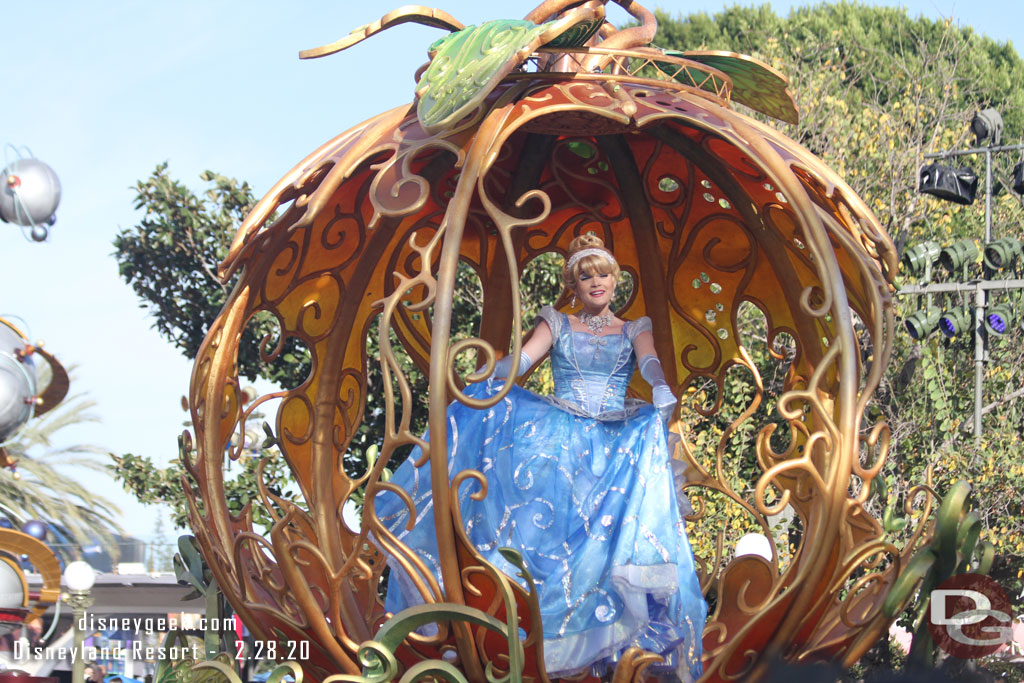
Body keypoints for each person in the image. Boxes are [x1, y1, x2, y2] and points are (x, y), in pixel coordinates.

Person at [376, 234, 706, 681]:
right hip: (561, 440)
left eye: (603, 274)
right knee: (549, 542)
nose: (596, 282)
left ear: (615, 280)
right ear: (573, 283)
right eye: (585, 275)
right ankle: (524, 634)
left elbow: (647, 362)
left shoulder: (635, 327)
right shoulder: (559, 322)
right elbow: (523, 361)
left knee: (605, 545)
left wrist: (661, 384)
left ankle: (600, 648)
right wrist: (486, 378)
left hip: (614, 444)